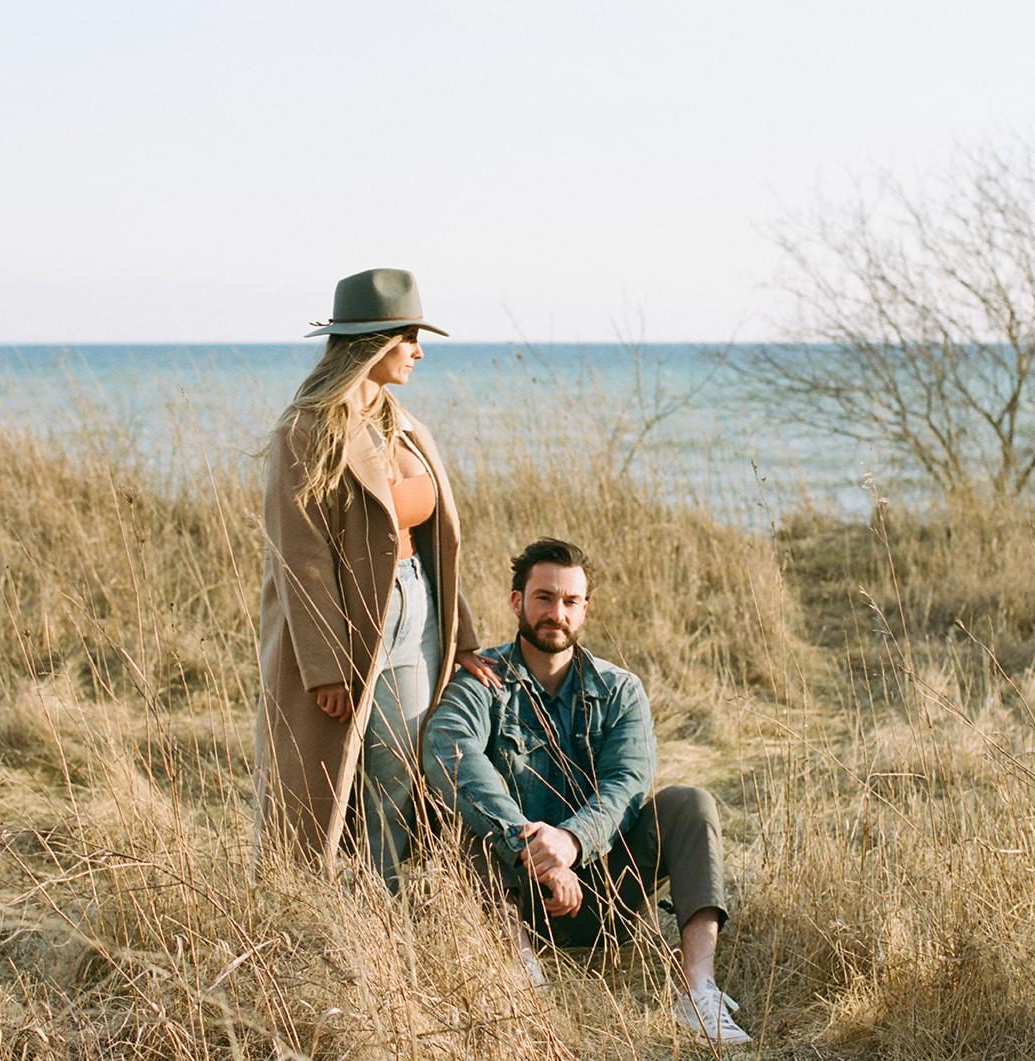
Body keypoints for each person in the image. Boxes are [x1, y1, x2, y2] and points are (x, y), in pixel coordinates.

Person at [422, 538, 751, 1045]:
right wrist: (531, 847)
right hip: (511, 895)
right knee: (454, 809)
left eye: (570, 601)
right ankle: (519, 977)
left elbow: (628, 784)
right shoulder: (481, 680)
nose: (557, 613)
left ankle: (698, 992)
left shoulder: (620, 690)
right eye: (544, 598)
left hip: (601, 895)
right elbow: (451, 754)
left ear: (585, 609)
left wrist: (571, 843)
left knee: (690, 803)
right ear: (517, 601)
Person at [256, 267, 497, 891]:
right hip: (348, 619)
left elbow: (441, 547)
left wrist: (461, 636)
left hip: (416, 606)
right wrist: (326, 664)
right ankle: (308, 905)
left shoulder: (406, 427)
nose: (418, 351)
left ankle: (379, 904)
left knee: (398, 767)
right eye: (409, 336)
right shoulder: (305, 431)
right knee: (321, 779)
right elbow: (299, 556)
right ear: (374, 341)